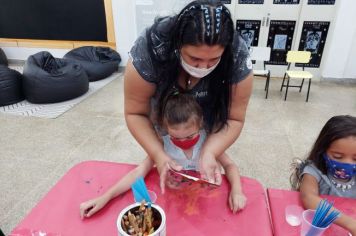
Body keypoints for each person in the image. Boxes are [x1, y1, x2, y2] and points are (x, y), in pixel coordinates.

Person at [124, 0, 253, 192]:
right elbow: (135, 113)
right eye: (195, 58)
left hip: (206, 133)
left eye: (213, 60)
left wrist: (210, 151)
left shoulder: (237, 56)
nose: (202, 68)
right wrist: (159, 155)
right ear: (177, 45)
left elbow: (235, 118)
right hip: (167, 129)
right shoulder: (151, 49)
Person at [80, 92, 247, 218]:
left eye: (190, 136)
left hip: (206, 204)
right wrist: (105, 197)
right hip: (173, 206)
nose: (183, 141)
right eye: (176, 137)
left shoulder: (208, 142)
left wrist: (237, 191)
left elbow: (230, 165)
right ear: (166, 129)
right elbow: (138, 173)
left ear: (201, 123)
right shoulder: (163, 145)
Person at [290, 115, 356, 235]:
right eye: (338, 156)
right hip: (317, 230)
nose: (348, 163)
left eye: (355, 158)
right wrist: (350, 223)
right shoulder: (313, 171)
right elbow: (309, 198)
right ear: (323, 150)